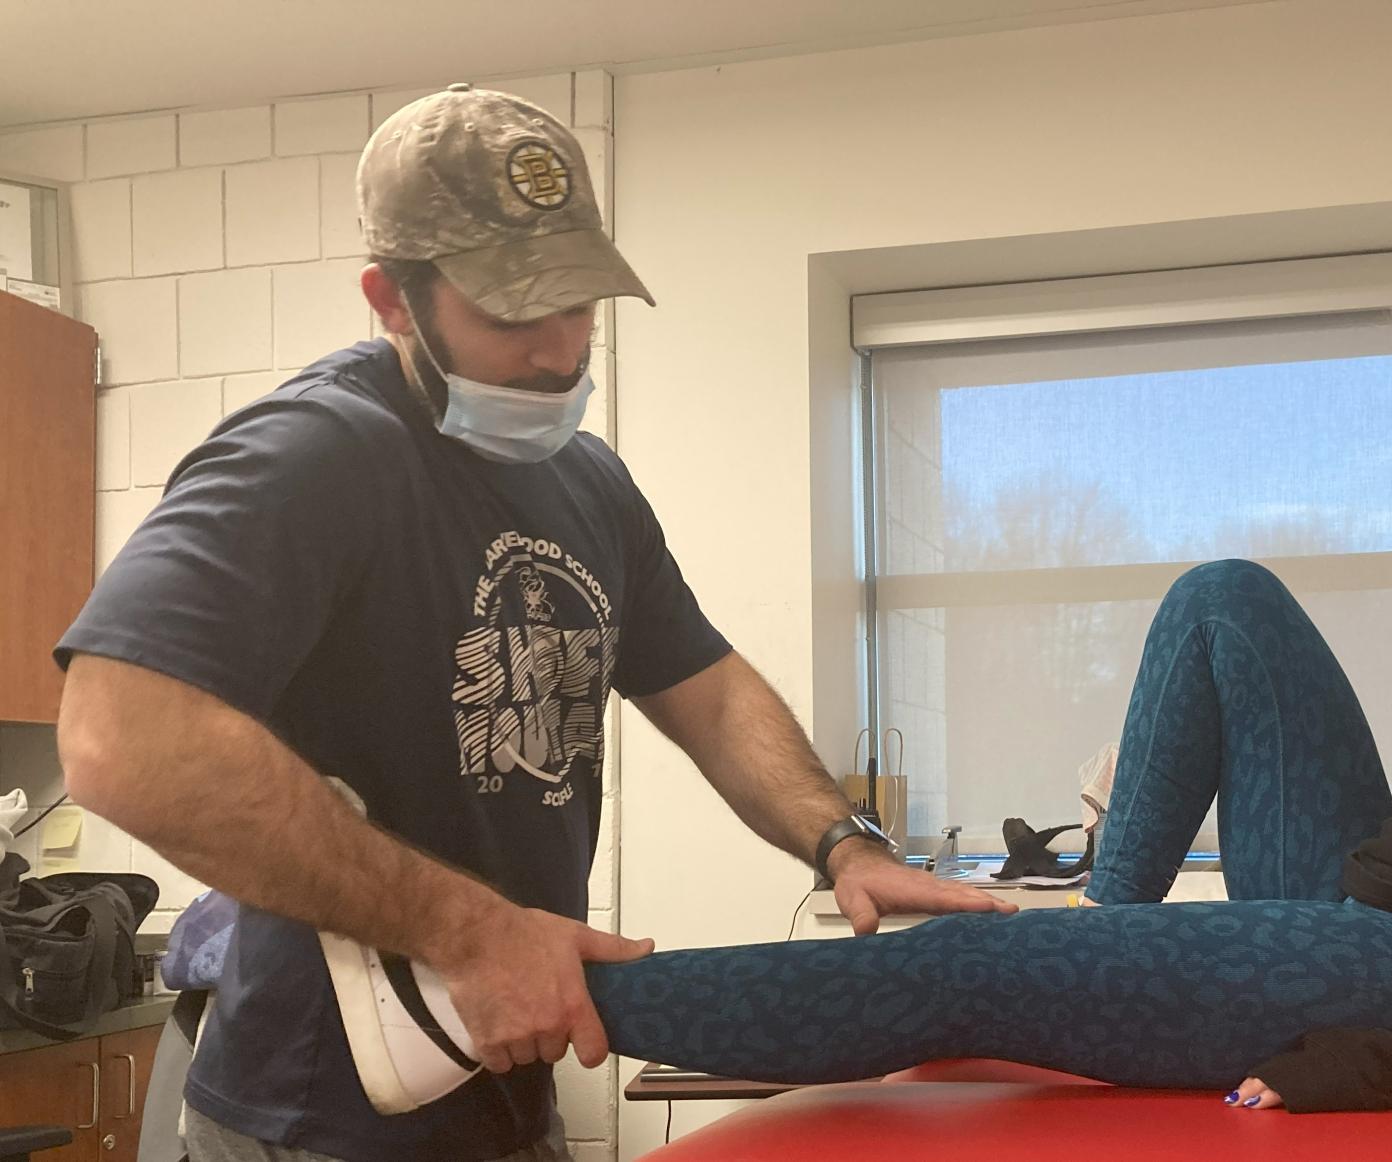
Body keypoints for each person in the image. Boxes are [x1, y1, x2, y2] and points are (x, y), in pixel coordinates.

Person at [572, 174, 1392, 1114]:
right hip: (1391, 902)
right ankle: (1107, 921)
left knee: (963, 970)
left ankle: (554, 991)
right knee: (1223, 598)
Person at [52, 84, 1008, 1162]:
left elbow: (710, 687)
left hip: (503, 1088)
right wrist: (473, 931)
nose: (561, 351)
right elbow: (117, 738)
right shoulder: (316, 451)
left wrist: (839, 841)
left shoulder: (587, 481)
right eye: (514, 312)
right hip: (315, 1114)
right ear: (393, 299)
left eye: (580, 303)